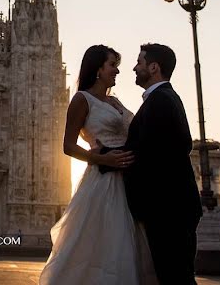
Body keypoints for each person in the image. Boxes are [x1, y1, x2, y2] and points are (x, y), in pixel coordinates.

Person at [40, 45, 157, 284]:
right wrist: (103, 159)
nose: (117, 71)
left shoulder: (115, 101)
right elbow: (68, 146)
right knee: (108, 244)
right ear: (97, 69)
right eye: (112, 65)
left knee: (129, 245)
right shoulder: (82, 100)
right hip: (104, 181)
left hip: (128, 180)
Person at [123, 43, 202, 284]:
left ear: (154, 67)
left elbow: (152, 151)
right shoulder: (162, 98)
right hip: (172, 208)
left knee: (175, 276)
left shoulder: (161, 100)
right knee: (175, 276)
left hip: (168, 209)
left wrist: (102, 157)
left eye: (139, 62)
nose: (135, 68)